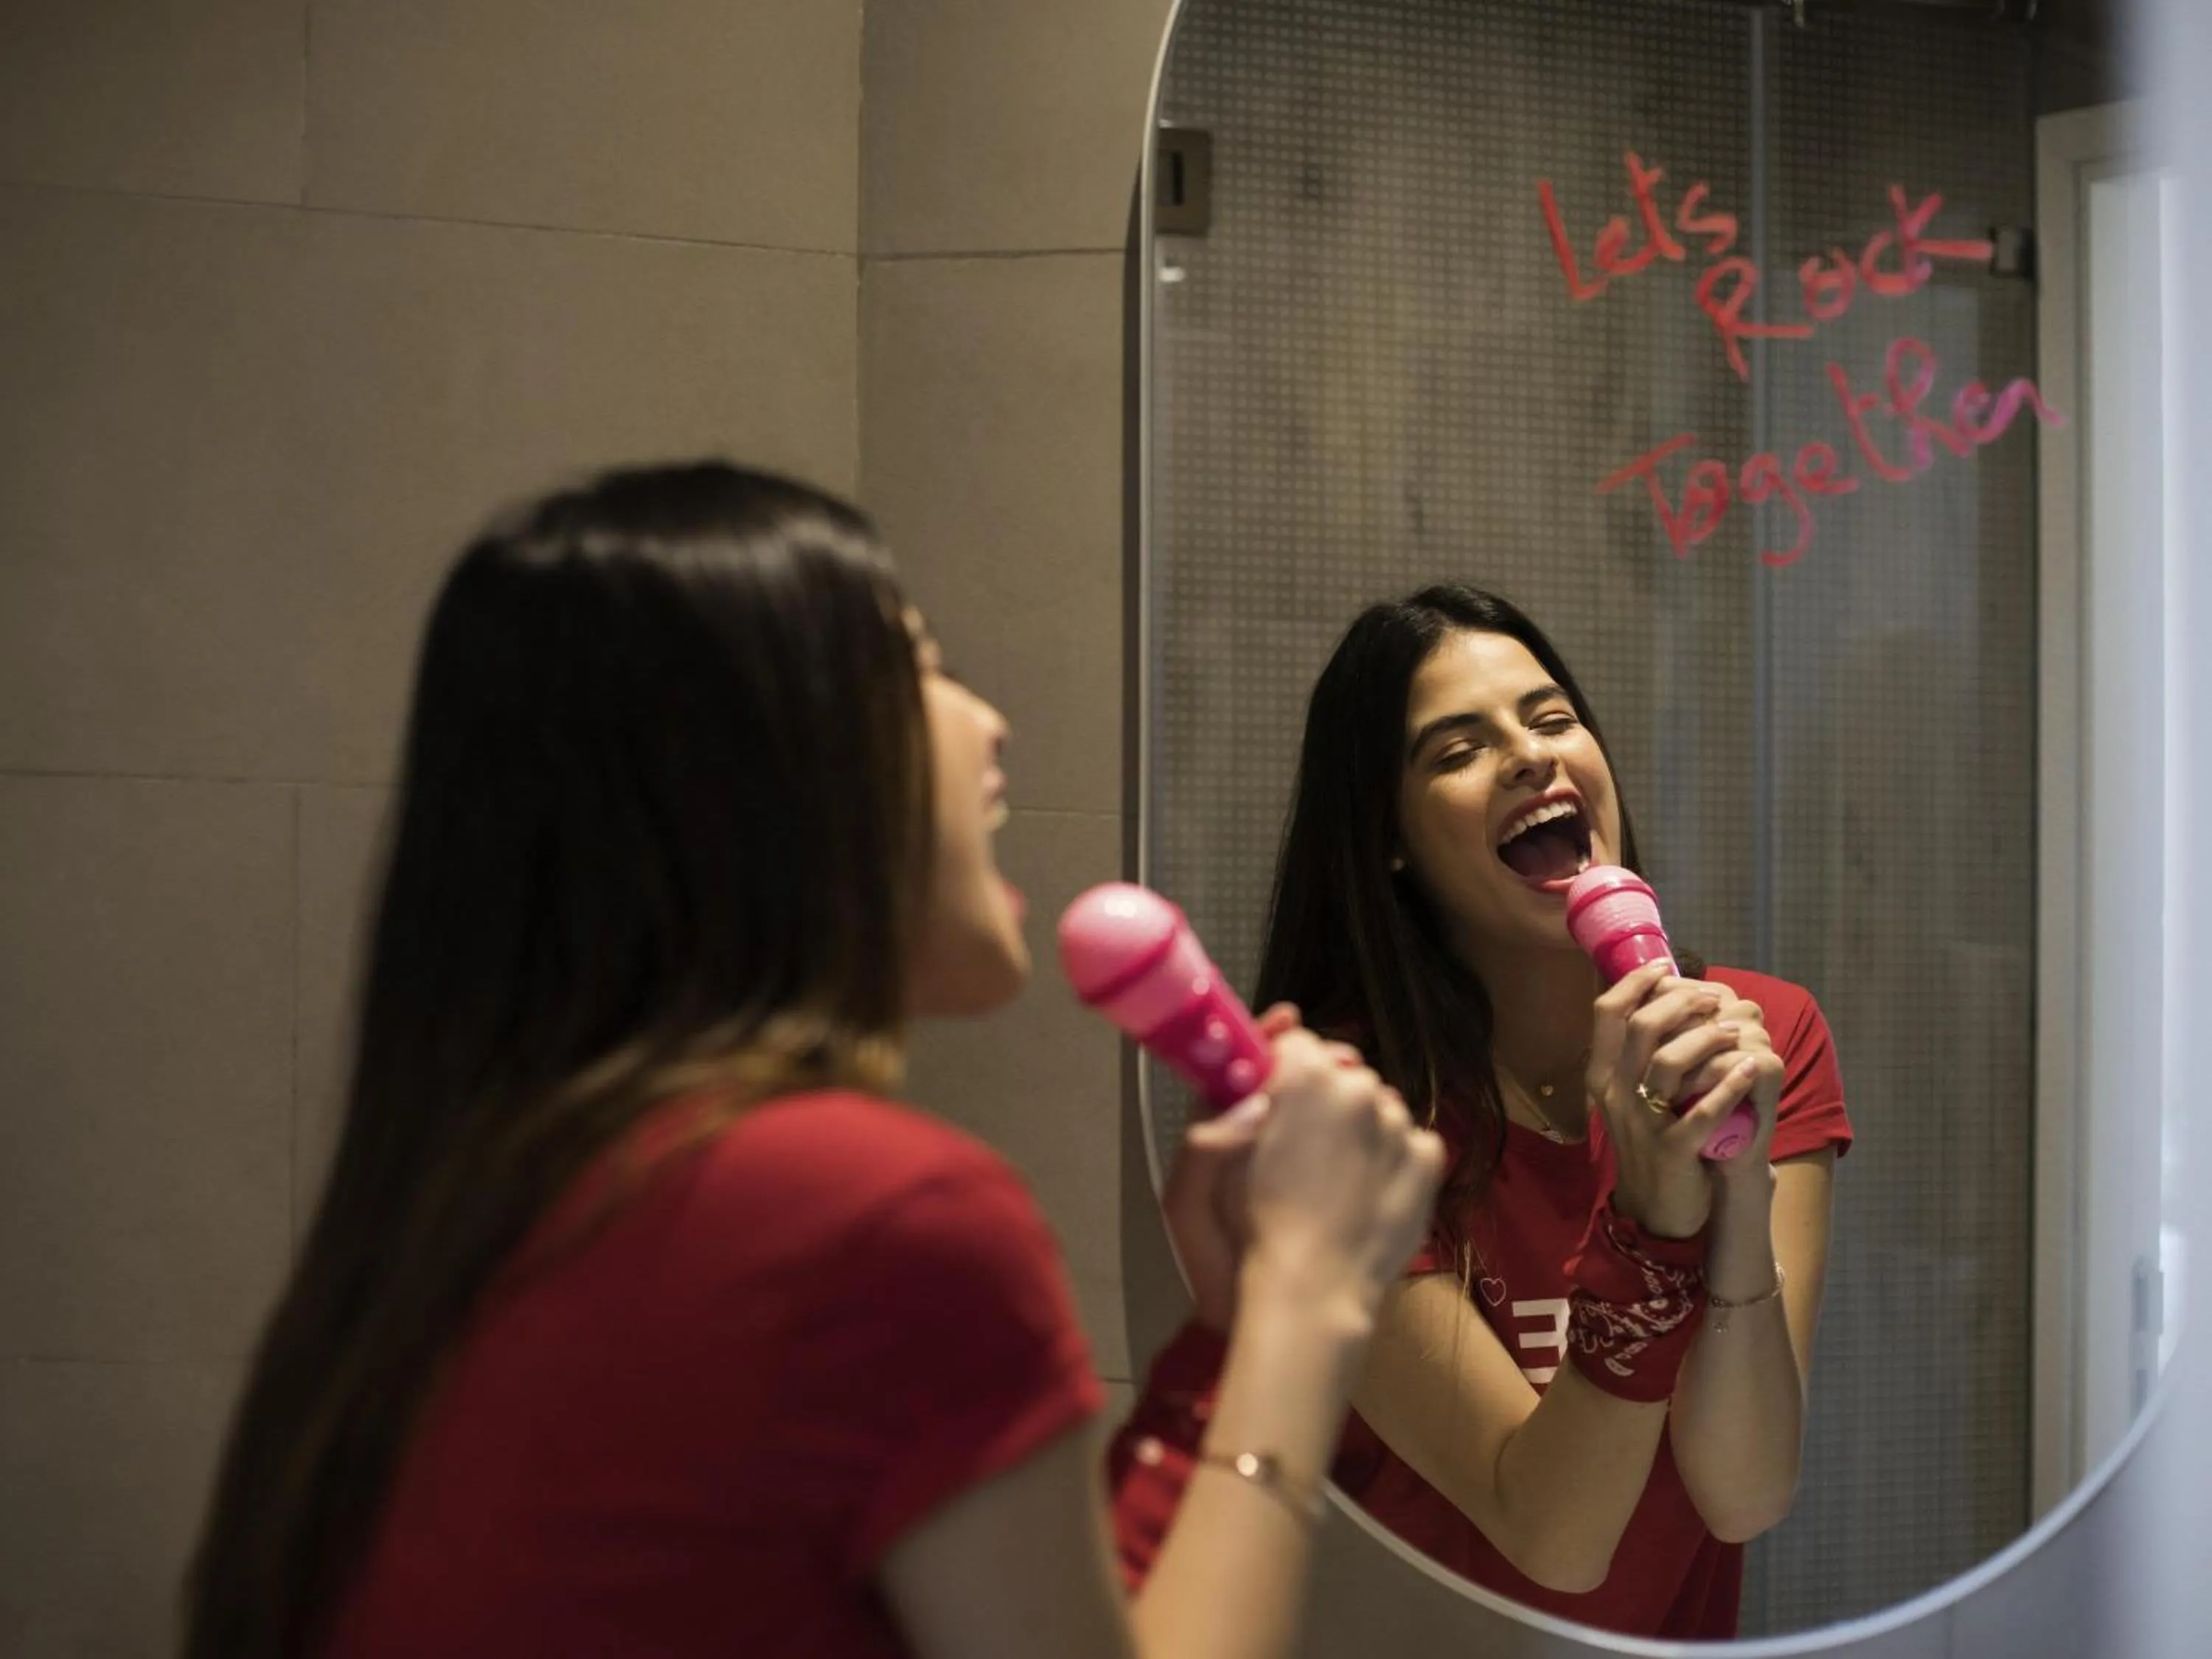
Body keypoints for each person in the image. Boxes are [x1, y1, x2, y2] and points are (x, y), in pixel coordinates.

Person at [179, 462, 1444, 1659]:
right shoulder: (871, 1209)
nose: (991, 723)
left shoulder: (477, 1205)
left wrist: (1222, 1341)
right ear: (755, 778)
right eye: (919, 665)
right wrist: (1310, 1304)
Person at [1112, 584, 1851, 1638]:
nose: (1529, 756)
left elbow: (1745, 1494)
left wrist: (1736, 1196)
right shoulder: (1349, 1114)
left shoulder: (1760, 1036)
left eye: (1552, 720)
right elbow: (1556, 1532)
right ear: (1392, 841)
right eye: (1456, 750)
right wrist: (1651, 1229)